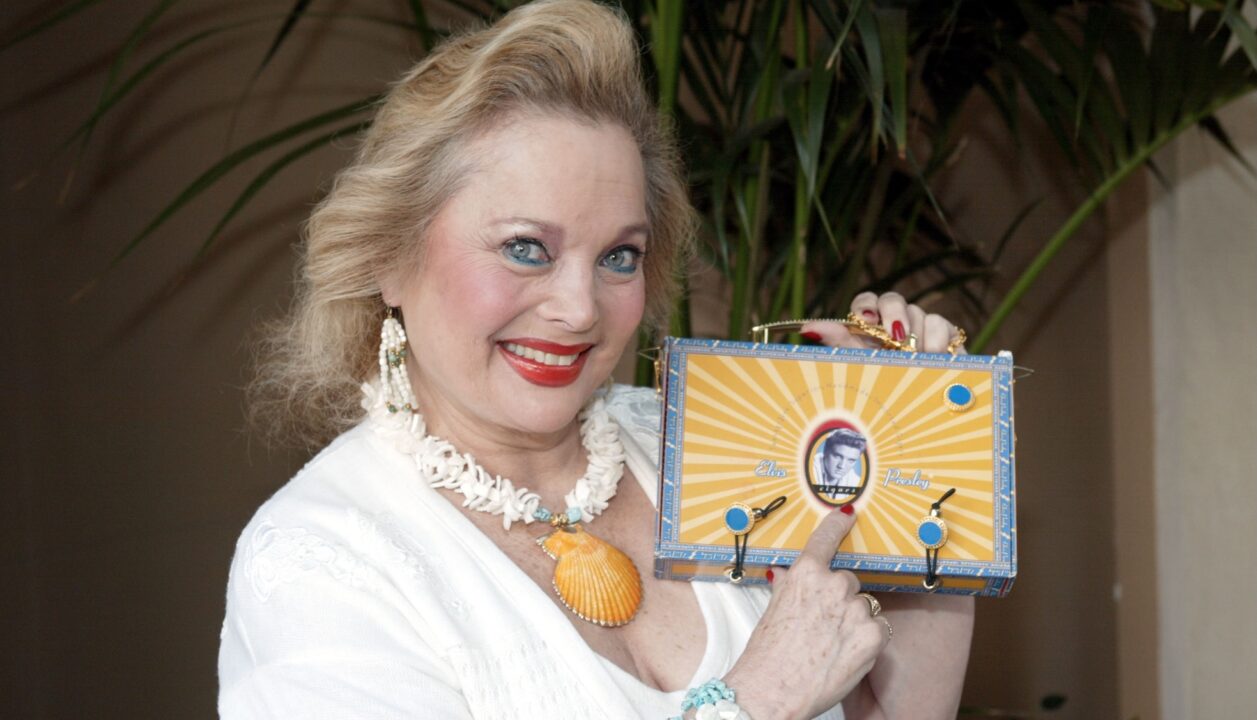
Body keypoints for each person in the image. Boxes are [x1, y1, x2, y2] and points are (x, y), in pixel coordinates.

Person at [219, 1, 974, 718]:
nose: (580, 308)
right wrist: (754, 702)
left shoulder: (708, 447)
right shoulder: (321, 557)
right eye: (525, 248)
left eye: (619, 256)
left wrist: (914, 437)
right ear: (388, 254)